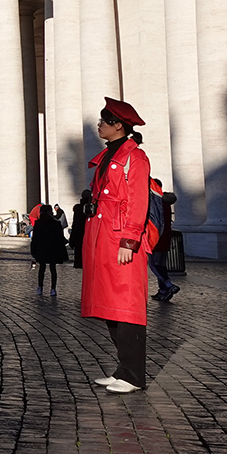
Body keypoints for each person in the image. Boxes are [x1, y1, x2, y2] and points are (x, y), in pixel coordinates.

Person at [81, 98, 156, 394]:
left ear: (118, 126)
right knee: (111, 306)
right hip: (102, 237)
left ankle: (134, 376)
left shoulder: (134, 158)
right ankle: (123, 369)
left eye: (104, 120)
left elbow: (139, 202)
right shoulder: (108, 155)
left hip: (120, 238)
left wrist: (130, 240)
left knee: (128, 306)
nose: (99, 125)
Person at [147, 182, 179, 301]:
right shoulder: (165, 202)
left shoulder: (157, 202)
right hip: (165, 236)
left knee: (154, 264)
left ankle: (169, 285)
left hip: (157, 236)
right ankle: (163, 290)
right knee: (161, 264)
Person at [29, 203, 69, 295]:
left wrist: (34, 250)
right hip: (51, 248)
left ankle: (40, 287)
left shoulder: (39, 224)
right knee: (52, 269)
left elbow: (35, 239)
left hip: (43, 248)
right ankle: (52, 289)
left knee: (42, 268)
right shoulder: (55, 223)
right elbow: (59, 238)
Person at [69, 189, 93, 270]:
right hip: (89, 234)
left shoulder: (78, 208)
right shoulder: (93, 207)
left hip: (79, 235)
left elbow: (75, 224)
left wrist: (72, 239)